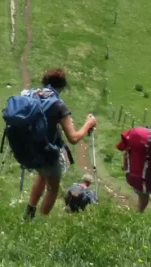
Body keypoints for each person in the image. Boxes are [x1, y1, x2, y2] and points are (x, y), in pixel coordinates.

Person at [23, 68, 97, 219]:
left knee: (42, 175)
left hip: (29, 148)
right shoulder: (58, 105)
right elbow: (74, 138)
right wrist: (88, 124)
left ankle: (29, 212)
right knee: (53, 187)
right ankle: (40, 222)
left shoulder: (33, 95)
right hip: (47, 151)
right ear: (62, 86)